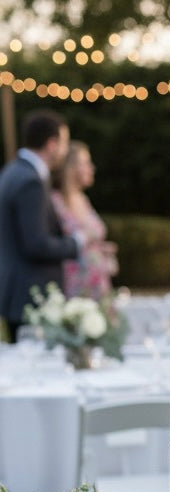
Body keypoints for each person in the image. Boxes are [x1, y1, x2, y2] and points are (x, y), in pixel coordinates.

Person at [0, 110, 80, 341]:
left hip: (16, 292)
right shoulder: (30, 181)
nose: (64, 151)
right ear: (51, 144)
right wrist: (75, 243)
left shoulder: (12, 171)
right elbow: (36, 244)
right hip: (30, 294)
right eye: (64, 143)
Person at [51, 141, 117, 299]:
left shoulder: (84, 200)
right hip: (73, 284)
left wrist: (101, 249)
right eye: (86, 163)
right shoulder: (56, 202)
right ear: (70, 167)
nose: (91, 168)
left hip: (99, 283)